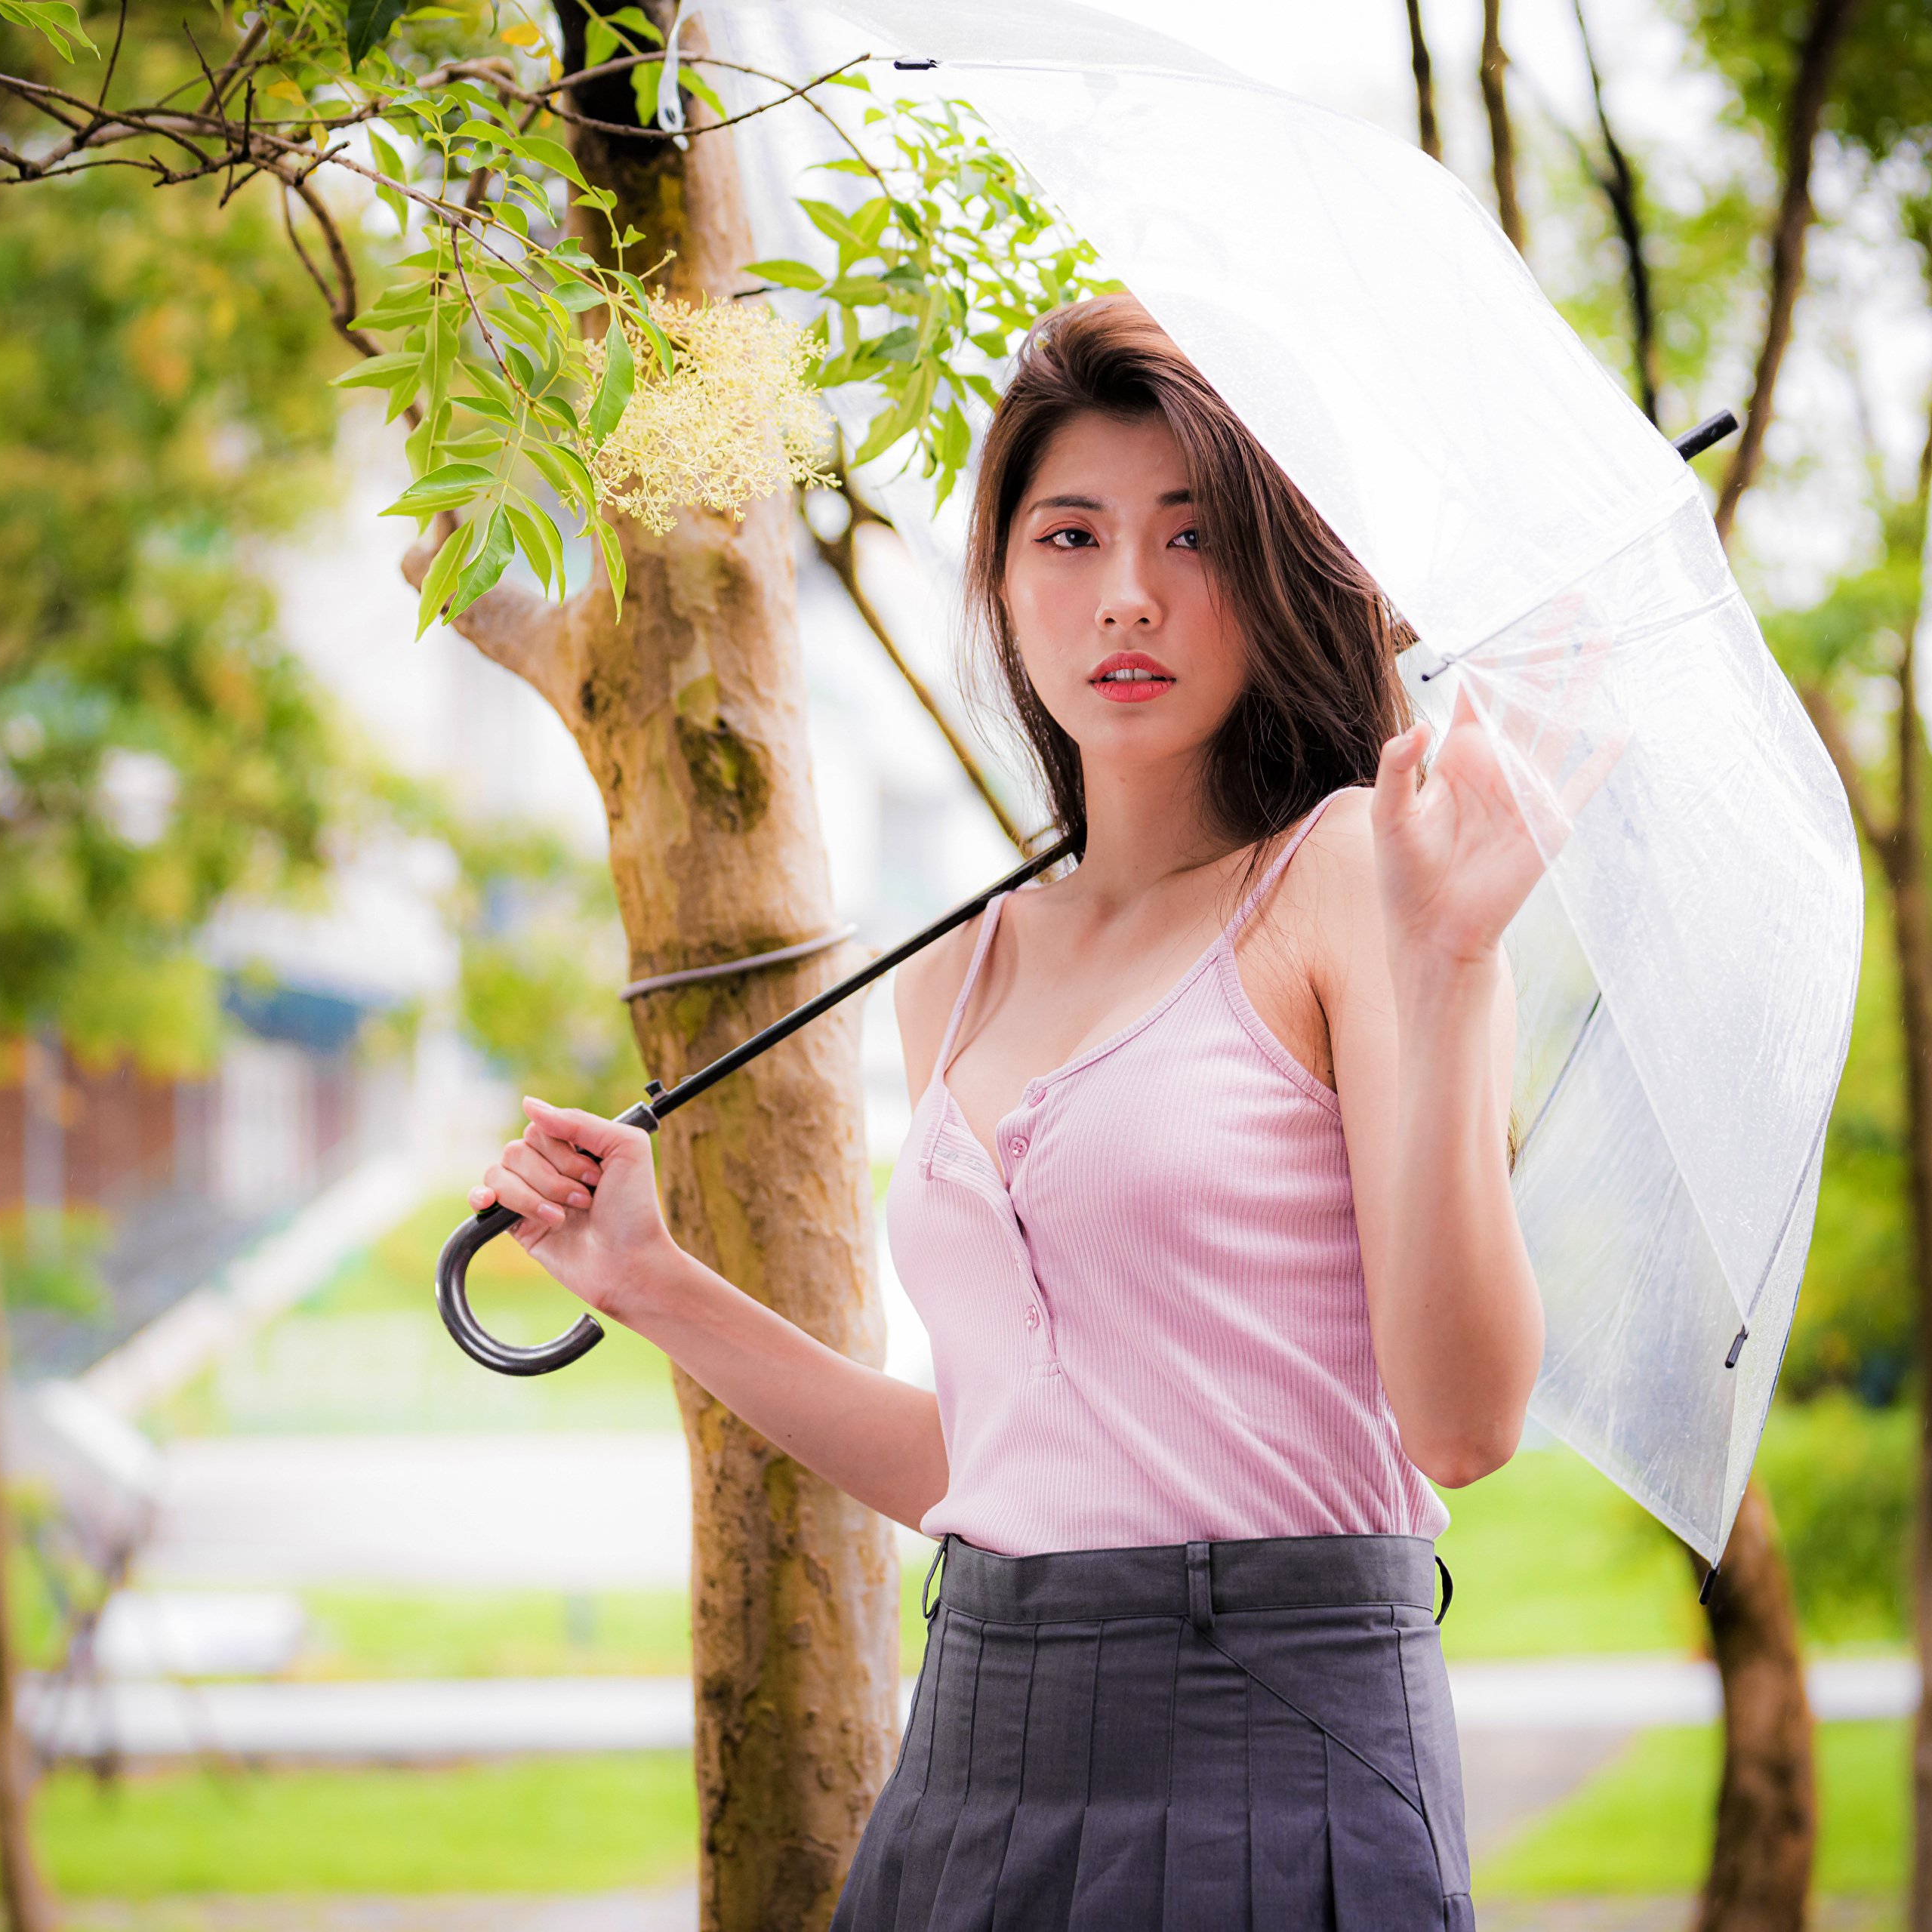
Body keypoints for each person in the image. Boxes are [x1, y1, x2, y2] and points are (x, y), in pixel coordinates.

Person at [469, 294, 1542, 1929]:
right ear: (1001, 581)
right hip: (977, 1740)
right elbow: (992, 1458)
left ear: (1274, 574)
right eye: (1071, 534)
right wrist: (651, 1278)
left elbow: (1461, 1422)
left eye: (1192, 535)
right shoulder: (955, 972)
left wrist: (1454, 957)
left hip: (1276, 1732)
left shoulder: (1349, 877)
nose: (1128, 592)